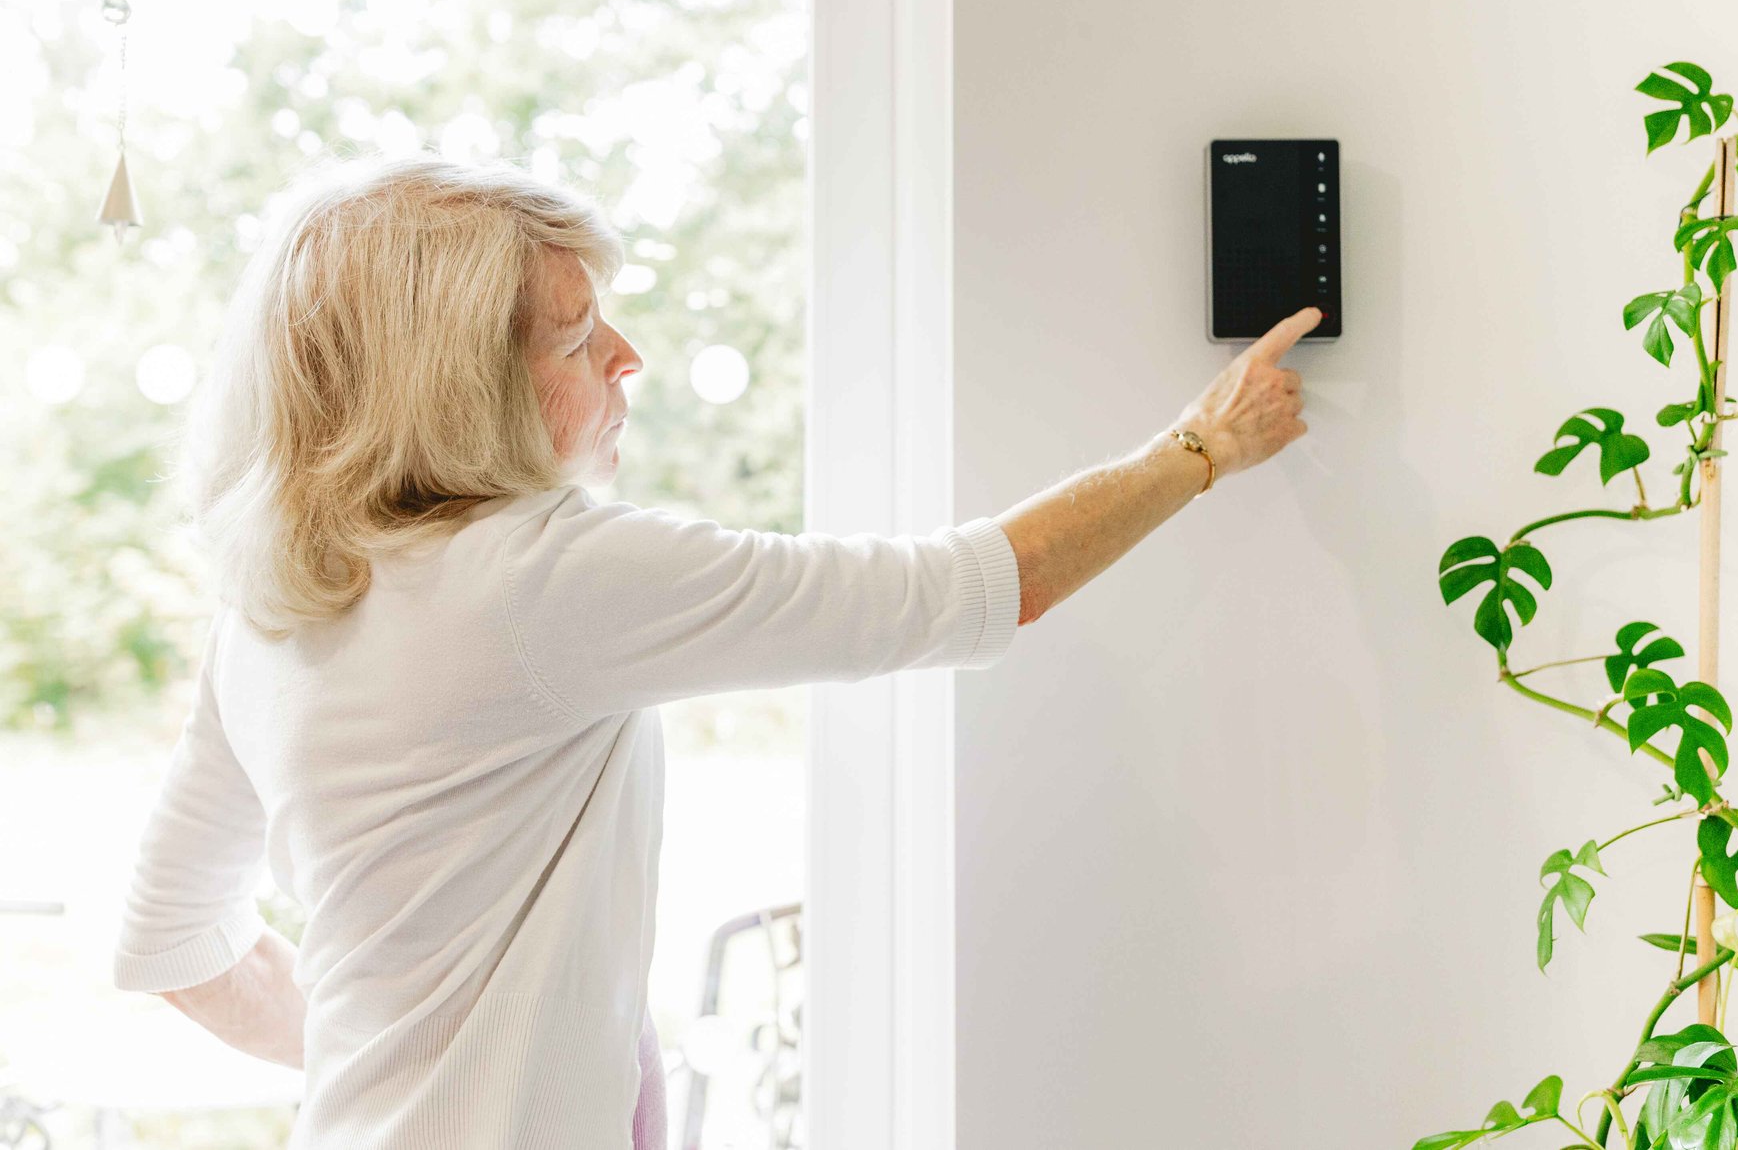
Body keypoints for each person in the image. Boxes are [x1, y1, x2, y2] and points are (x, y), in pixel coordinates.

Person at [108, 152, 1318, 1148]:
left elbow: (175, 942)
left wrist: (395, 1047)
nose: (626, 357)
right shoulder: (541, 578)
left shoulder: (275, 601)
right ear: (460, 387)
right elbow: (970, 589)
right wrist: (1199, 447)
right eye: (578, 338)